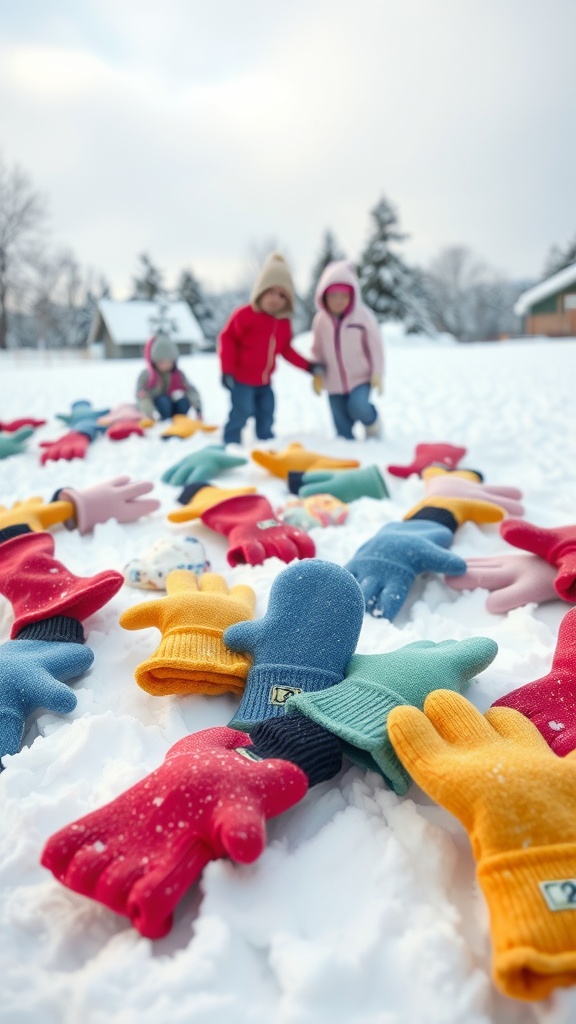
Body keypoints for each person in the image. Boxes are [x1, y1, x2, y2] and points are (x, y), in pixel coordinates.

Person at [219, 253, 319, 445]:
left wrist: (309, 367)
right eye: (270, 292)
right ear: (260, 291)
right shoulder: (246, 314)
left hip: (265, 382)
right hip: (242, 379)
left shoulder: (282, 323)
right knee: (242, 410)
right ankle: (231, 441)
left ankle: (265, 439)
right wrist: (227, 370)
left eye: (282, 295)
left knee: (267, 410)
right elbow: (227, 338)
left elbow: (286, 350)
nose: (275, 298)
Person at [310, 260, 384, 440]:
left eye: (343, 295)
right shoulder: (320, 321)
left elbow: (375, 347)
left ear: (352, 295)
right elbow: (317, 349)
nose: (338, 300)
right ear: (324, 296)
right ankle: (348, 453)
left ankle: (372, 422)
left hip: (361, 378)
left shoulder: (363, 316)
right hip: (333, 382)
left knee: (359, 407)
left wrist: (377, 373)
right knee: (342, 431)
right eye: (333, 295)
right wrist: (318, 373)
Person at [136, 334, 202, 421]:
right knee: (163, 401)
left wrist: (198, 409)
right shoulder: (148, 375)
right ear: (154, 362)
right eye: (161, 362)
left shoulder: (178, 375)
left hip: (175, 406)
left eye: (169, 362)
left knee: (182, 401)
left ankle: (180, 418)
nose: (165, 366)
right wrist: (149, 414)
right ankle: (165, 419)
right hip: (158, 409)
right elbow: (143, 396)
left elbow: (190, 390)